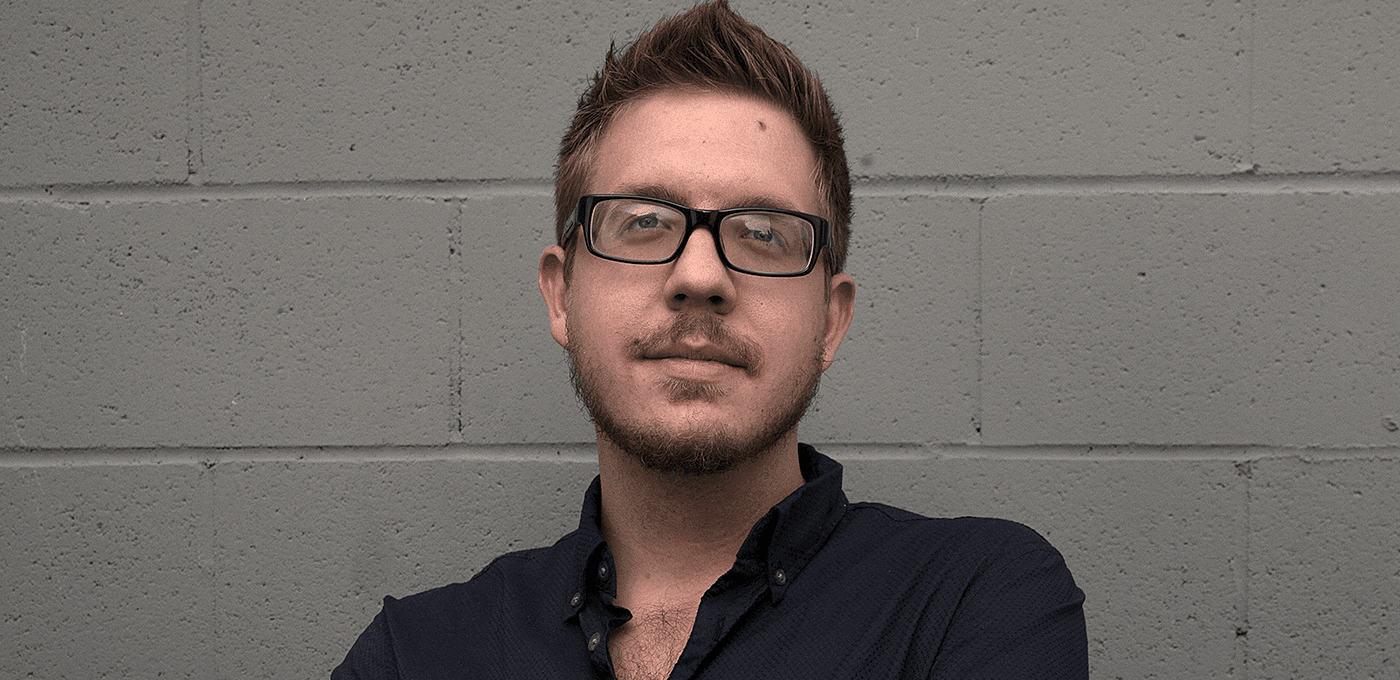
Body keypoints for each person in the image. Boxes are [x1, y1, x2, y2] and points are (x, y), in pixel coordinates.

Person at [333, 2, 1087, 678]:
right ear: (563, 296)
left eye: (763, 233)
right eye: (644, 222)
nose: (700, 274)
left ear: (830, 320)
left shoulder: (970, 602)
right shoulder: (416, 654)